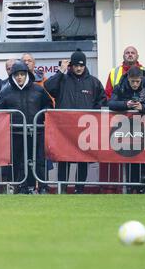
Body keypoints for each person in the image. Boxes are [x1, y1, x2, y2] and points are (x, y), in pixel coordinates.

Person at [45, 49, 107, 194]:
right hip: (64, 129)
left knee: (82, 159)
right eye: (76, 65)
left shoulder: (94, 83)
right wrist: (61, 71)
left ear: (85, 66)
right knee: (63, 158)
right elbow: (48, 87)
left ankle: (79, 189)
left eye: (81, 65)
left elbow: (102, 101)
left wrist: (94, 116)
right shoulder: (62, 80)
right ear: (71, 66)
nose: (79, 68)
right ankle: (63, 188)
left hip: (84, 129)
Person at [0, 61, 52, 194]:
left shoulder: (38, 89)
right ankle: (21, 187)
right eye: (17, 75)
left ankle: (42, 187)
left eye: (22, 74)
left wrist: (41, 117)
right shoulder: (5, 92)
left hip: (36, 132)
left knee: (39, 161)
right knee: (18, 161)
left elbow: (48, 106)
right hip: (16, 133)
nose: (19, 77)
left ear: (27, 74)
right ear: (12, 76)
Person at [108, 66, 145, 194]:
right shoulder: (120, 84)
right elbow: (110, 103)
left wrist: (143, 107)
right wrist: (126, 105)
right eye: (133, 82)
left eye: (138, 81)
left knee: (143, 151)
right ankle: (132, 184)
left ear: (141, 79)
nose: (135, 84)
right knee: (129, 153)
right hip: (126, 124)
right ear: (128, 79)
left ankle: (143, 180)